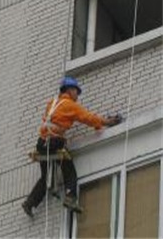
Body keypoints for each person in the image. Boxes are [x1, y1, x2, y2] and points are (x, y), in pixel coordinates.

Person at [22, 77, 121, 217]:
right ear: (69, 90)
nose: (77, 96)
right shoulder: (70, 105)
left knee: (45, 177)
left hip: (42, 143)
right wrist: (105, 122)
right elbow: (88, 118)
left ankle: (30, 203)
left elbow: (52, 120)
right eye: (76, 91)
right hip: (55, 142)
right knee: (69, 171)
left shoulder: (52, 103)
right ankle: (70, 198)